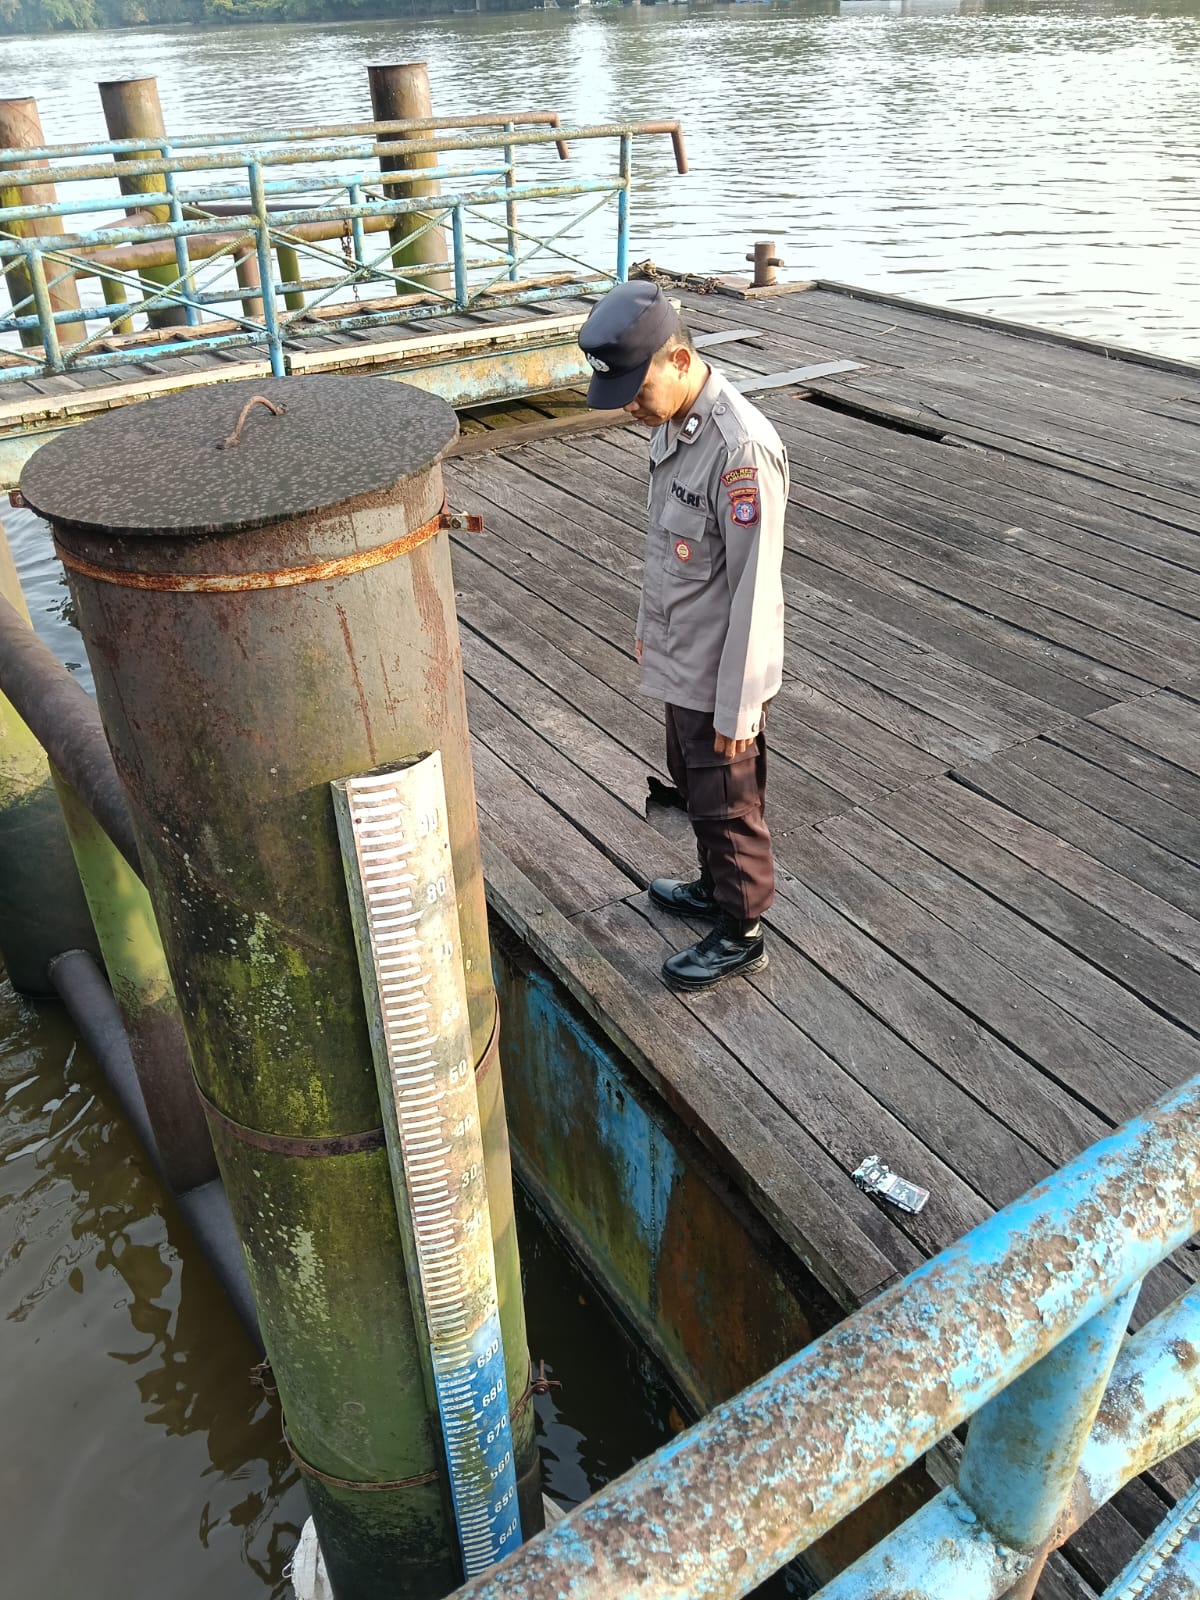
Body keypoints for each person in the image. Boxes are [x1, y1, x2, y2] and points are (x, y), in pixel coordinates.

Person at [578, 279, 789, 992]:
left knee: (728, 796)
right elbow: (665, 548)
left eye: (637, 391)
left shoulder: (739, 449)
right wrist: (649, 629)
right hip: (681, 648)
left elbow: (756, 593)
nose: (631, 407)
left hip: (720, 666)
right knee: (693, 777)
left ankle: (741, 929)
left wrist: (741, 707)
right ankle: (712, 885)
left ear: (679, 359)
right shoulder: (674, 421)